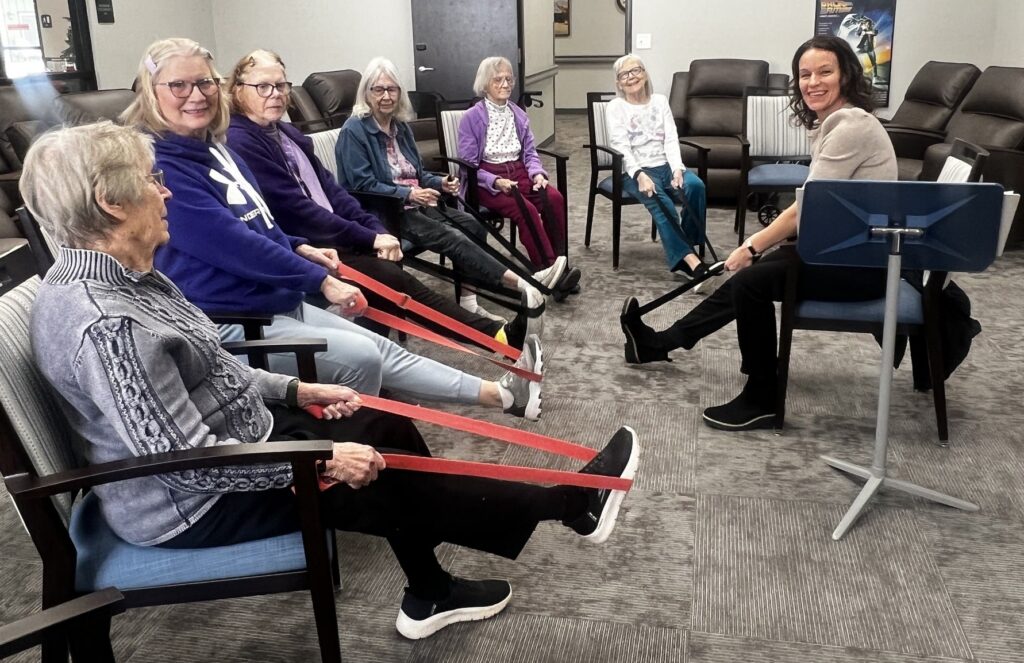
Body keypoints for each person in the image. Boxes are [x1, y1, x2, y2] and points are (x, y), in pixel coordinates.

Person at [21, 120, 641, 640]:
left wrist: (296, 391)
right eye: (152, 180)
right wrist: (321, 461)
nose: (166, 193)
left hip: (240, 437)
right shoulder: (109, 324)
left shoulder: (133, 276)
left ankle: (430, 590)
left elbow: (214, 368)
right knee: (380, 474)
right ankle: (568, 505)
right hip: (192, 504)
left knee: (381, 423)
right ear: (111, 203)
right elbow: (188, 466)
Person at [120, 38, 542, 420]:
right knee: (365, 349)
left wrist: (300, 247)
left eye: (204, 83)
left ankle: (502, 395)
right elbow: (235, 242)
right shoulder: (165, 165)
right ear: (152, 93)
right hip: (235, 315)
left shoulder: (218, 147)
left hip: (277, 291)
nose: (196, 95)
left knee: (380, 345)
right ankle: (372, 443)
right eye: (179, 86)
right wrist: (322, 274)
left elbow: (266, 219)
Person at [620, 35, 896, 431]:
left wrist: (750, 246)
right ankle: (658, 343)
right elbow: (824, 205)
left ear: (847, 75)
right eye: (805, 74)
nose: (813, 82)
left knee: (751, 281)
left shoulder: (851, 126)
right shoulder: (837, 122)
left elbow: (807, 207)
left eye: (825, 72)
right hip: (837, 248)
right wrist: (760, 248)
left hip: (860, 265)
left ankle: (763, 397)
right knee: (747, 278)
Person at [225, 49, 533, 350]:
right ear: (238, 91)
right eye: (263, 86)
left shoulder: (285, 133)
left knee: (406, 270)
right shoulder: (243, 141)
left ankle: (382, 356)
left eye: (281, 85)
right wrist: (371, 234)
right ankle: (498, 332)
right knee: (396, 281)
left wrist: (375, 230)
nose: (276, 94)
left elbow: (334, 191)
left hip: (345, 229)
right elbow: (301, 210)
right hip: (310, 245)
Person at [337, 56, 565, 326]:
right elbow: (361, 184)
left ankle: (470, 301)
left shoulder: (400, 128)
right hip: (386, 213)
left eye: (392, 89)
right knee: (453, 237)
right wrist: (409, 194)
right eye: (379, 89)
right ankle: (524, 283)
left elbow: (418, 174)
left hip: (417, 203)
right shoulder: (354, 130)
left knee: (473, 225)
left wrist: (440, 183)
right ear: (367, 93)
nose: (386, 96)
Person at [458, 56, 580, 289]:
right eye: (498, 80)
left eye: (509, 79)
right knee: (526, 210)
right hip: (486, 179)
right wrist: (496, 181)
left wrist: (537, 174)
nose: (505, 84)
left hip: (520, 171)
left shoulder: (518, 114)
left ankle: (560, 265)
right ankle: (547, 269)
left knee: (554, 198)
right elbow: (467, 166)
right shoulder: (471, 117)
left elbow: (530, 153)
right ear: (485, 84)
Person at [605, 53, 708, 276]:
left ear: (644, 74)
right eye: (624, 74)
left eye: (636, 70)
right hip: (635, 171)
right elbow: (620, 147)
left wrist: (677, 168)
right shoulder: (615, 107)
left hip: (665, 166)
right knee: (662, 203)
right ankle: (690, 262)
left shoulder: (660, 101)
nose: (631, 77)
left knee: (695, 186)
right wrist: (640, 175)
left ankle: (686, 247)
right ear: (618, 83)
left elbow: (671, 138)